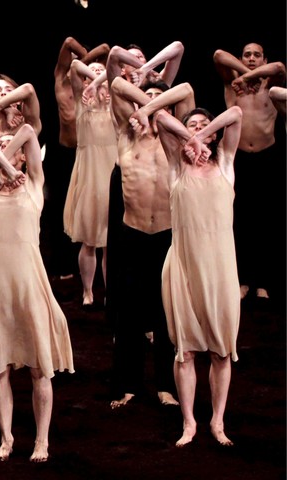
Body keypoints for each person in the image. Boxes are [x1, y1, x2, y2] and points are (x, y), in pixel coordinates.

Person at [0, 123, 74, 462]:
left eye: (9, 146)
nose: (3, 148)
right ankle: (6, 438)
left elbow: (28, 130)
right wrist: (5, 163)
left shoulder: (33, 186)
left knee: (39, 367)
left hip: (29, 284)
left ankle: (42, 440)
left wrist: (14, 164)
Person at [93, 42, 185, 409]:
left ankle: (166, 384)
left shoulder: (172, 140)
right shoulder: (125, 134)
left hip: (166, 235)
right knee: (128, 317)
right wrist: (143, 101)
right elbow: (116, 80)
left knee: (166, 314)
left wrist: (152, 105)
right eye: (142, 100)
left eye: (156, 102)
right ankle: (129, 384)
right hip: (131, 235)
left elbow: (186, 90)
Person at [154, 105, 243, 447]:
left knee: (222, 351)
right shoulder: (177, 167)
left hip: (220, 268)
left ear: (215, 134)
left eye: (207, 126)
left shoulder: (225, 163)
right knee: (186, 350)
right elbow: (161, 117)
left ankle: (217, 421)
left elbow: (235, 112)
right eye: (192, 124)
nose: (200, 130)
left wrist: (202, 136)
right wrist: (189, 139)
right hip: (184, 266)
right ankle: (189, 422)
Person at [213, 42, 286, 302]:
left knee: (267, 221)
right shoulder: (233, 83)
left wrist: (250, 76)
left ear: (264, 57)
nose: (252, 58)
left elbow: (279, 67)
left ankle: (264, 282)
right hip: (238, 159)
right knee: (239, 221)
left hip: (268, 158)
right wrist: (243, 74)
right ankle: (242, 280)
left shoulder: (271, 85)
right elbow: (219, 55)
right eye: (247, 55)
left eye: (257, 55)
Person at [50, 37, 110, 281]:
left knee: (94, 212)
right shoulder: (63, 84)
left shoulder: (104, 94)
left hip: (96, 155)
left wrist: (91, 66)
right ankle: (64, 265)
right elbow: (68, 42)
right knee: (63, 211)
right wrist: (84, 58)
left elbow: (106, 49)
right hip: (67, 152)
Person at [63, 59, 117, 307]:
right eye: (92, 72)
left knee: (110, 241)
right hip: (88, 172)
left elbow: (113, 70)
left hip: (111, 171)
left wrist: (102, 81)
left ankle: (109, 292)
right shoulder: (81, 99)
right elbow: (74, 64)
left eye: (100, 72)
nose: (96, 75)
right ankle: (87, 291)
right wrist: (93, 83)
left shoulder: (116, 103)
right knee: (89, 239)